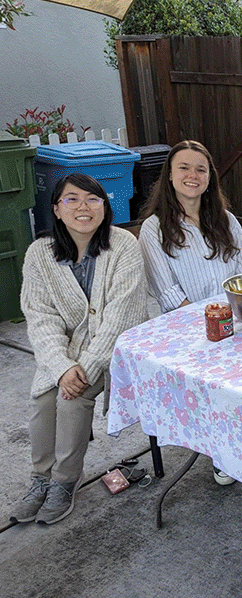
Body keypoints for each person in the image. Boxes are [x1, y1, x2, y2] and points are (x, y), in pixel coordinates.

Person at [12, 173, 147, 525]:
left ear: (105, 206)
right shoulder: (38, 253)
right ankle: (40, 478)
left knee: (71, 397)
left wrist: (83, 368)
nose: (83, 207)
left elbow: (121, 317)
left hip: (112, 348)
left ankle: (64, 481)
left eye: (93, 199)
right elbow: (39, 318)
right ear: (57, 209)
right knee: (44, 397)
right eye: (72, 199)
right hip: (64, 352)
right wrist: (60, 366)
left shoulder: (123, 245)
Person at [138, 140, 242, 486]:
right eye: (184, 168)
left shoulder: (227, 221)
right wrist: (218, 324)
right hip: (187, 333)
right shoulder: (154, 228)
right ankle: (224, 451)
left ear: (210, 178)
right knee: (223, 375)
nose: (193, 175)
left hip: (236, 321)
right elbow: (169, 296)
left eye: (201, 169)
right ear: (169, 177)